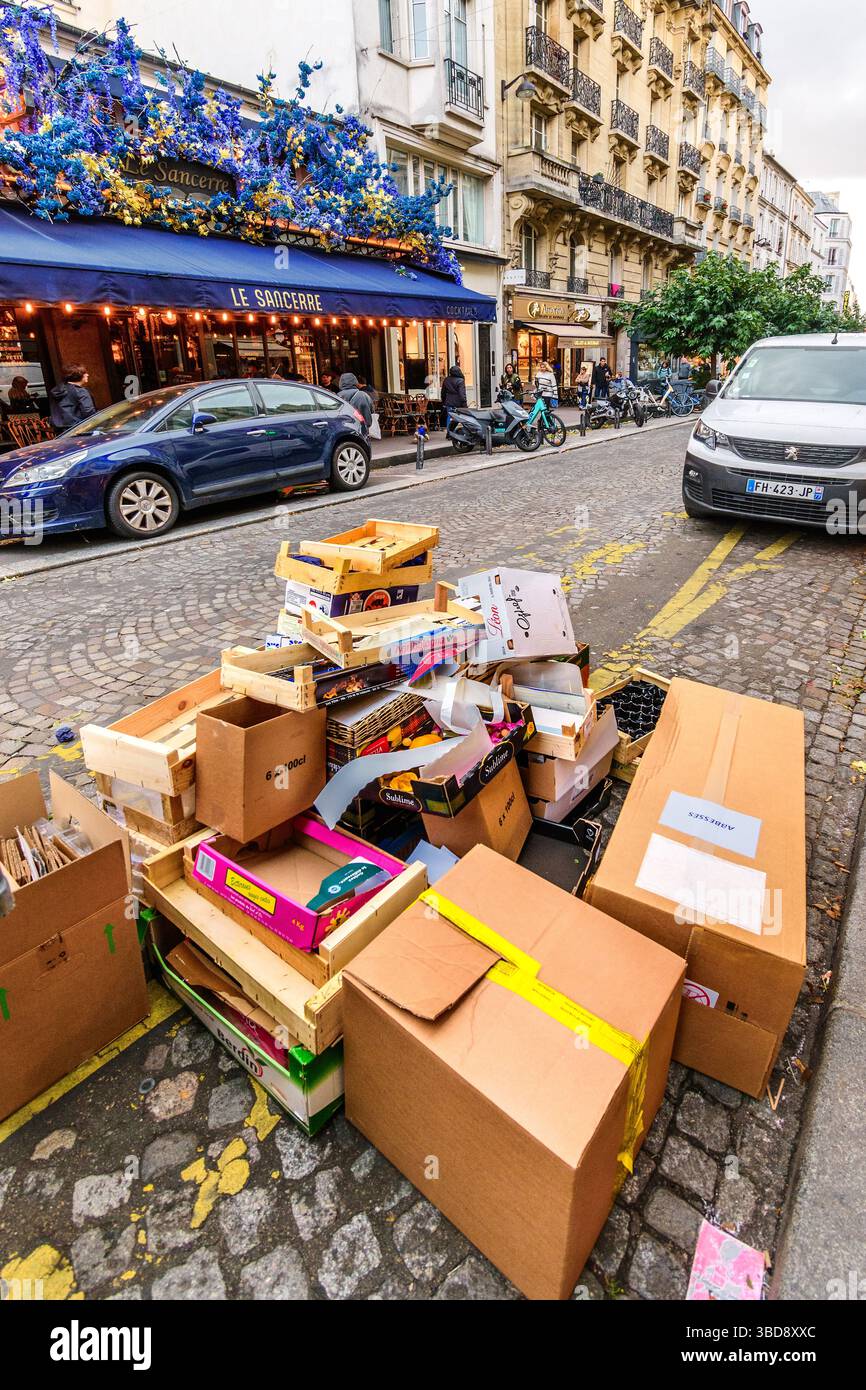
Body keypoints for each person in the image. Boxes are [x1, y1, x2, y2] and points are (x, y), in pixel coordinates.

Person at [49, 364, 96, 430]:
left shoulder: (57, 390)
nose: (87, 375)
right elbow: (89, 413)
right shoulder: (80, 391)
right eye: (85, 373)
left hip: (61, 430)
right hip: (79, 429)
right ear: (79, 375)